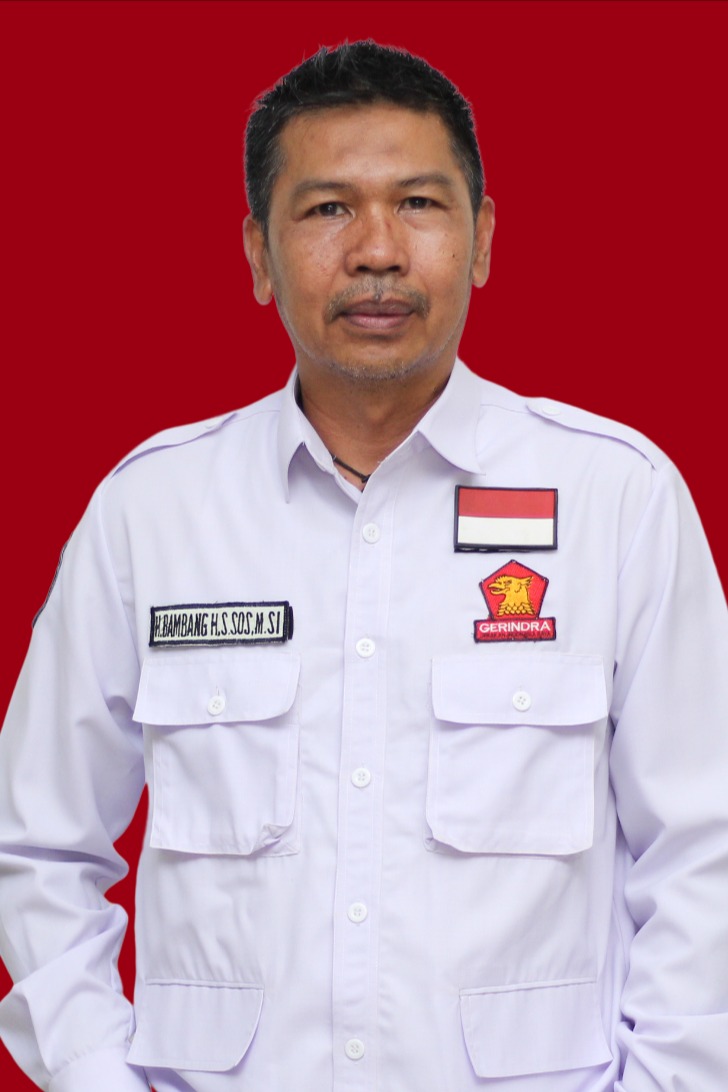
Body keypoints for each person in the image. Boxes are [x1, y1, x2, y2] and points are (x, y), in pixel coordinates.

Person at [0, 38, 726, 1092]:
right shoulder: (149, 513)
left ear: (481, 239)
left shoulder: (617, 500)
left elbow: (704, 850)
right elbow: (35, 845)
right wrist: (94, 1077)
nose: (377, 250)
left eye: (419, 204)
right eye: (327, 208)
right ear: (258, 254)